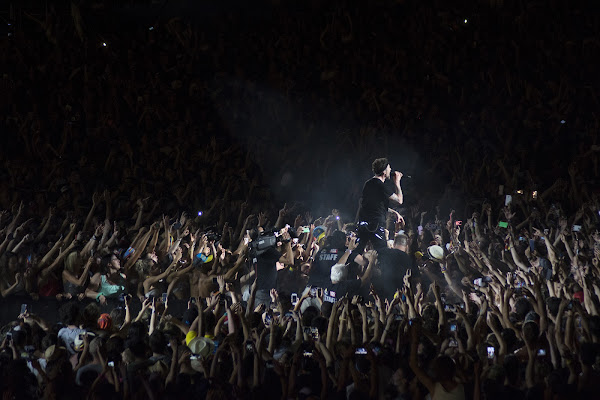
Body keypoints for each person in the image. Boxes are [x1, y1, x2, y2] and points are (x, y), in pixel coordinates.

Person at [356, 157, 404, 251]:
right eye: (389, 168)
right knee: (382, 252)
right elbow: (399, 200)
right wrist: (397, 182)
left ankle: (354, 264)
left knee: (358, 250)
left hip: (363, 223)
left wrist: (394, 212)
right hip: (376, 225)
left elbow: (374, 205)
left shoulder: (368, 183)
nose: (390, 170)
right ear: (384, 171)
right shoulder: (381, 186)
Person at [373, 233, 414, 301]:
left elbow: (369, 255)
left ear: (394, 243)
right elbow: (416, 280)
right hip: (401, 297)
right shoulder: (410, 259)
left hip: (383, 295)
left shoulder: (384, 252)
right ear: (407, 246)